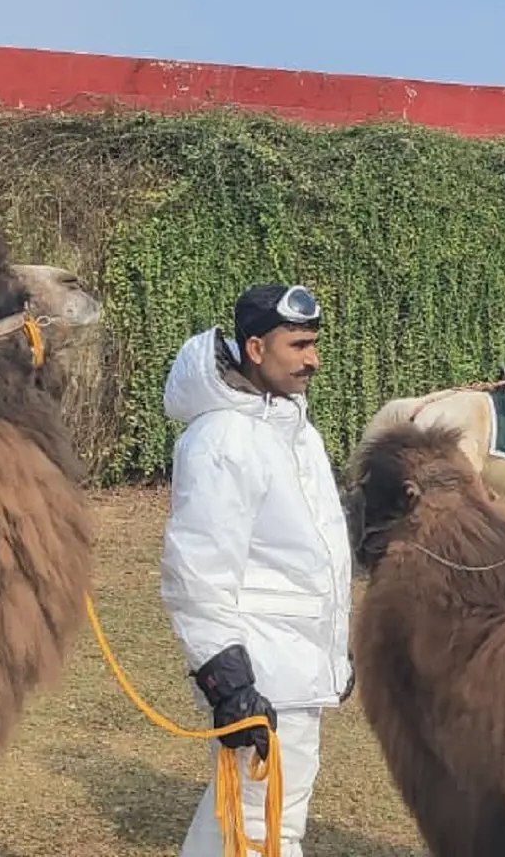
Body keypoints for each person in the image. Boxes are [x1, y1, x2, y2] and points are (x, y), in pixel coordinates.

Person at [158, 283, 355, 857]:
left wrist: (334, 650)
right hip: (264, 673)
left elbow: (303, 557)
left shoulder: (293, 429)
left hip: (297, 667)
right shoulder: (224, 437)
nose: (313, 360)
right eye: (298, 345)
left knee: (236, 822)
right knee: (265, 828)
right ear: (255, 347)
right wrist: (227, 680)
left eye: (314, 344)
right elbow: (196, 570)